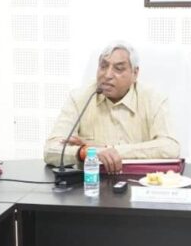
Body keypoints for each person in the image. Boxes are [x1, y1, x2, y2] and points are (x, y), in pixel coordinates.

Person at [44, 41, 179, 174]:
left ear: (135, 73)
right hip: (92, 181)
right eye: (103, 66)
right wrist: (84, 151)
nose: (107, 75)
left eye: (118, 69)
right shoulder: (79, 98)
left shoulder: (153, 100)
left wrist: (106, 149)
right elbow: (51, 150)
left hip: (140, 181)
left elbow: (170, 147)